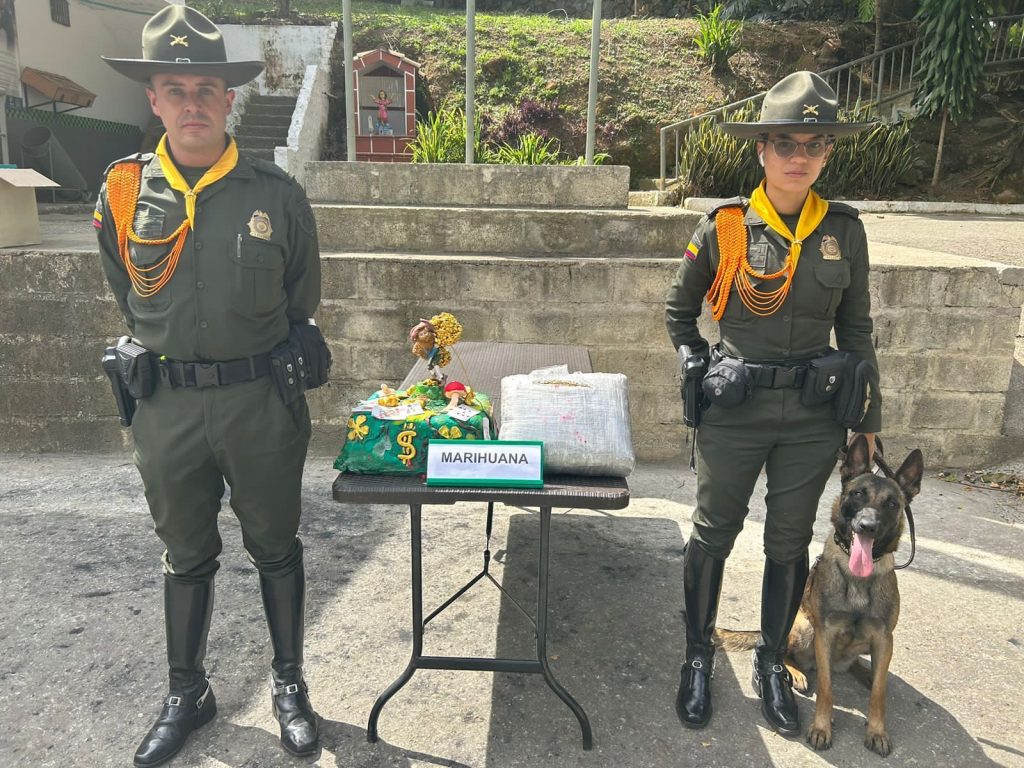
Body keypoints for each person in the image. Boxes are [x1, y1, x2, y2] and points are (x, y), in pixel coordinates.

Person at [96, 6, 322, 766]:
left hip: (259, 404)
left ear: (229, 99)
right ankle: (186, 692)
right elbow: (126, 296)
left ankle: (290, 684)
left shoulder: (278, 196)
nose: (192, 102)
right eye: (174, 87)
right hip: (166, 409)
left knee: (275, 546)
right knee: (184, 553)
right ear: (152, 100)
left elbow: (301, 302)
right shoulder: (123, 193)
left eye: (206, 87)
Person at [665, 71, 881, 737]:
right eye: (786, 141)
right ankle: (699, 657)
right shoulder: (725, 226)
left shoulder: (843, 229)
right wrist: (700, 370)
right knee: (713, 532)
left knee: (788, 543)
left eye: (814, 144)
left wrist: (868, 424)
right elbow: (679, 313)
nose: (799, 156)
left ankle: (768, 660)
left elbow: (859, 332)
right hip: (736, 411)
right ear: (761, 148)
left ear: (827, 154)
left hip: (813, 422)